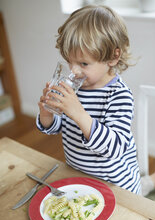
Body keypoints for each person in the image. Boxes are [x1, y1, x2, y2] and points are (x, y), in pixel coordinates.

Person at [36, 5, 142, 194]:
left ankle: (152, 181)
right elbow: (59, 127)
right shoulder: (73, 88)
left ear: (113, 57)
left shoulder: (119, 95)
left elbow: (115, 148)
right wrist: (47, 114)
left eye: (83, 63)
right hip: (81, 179)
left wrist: (78, 112)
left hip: (117, 187)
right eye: (70, 61)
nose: (74, 71)